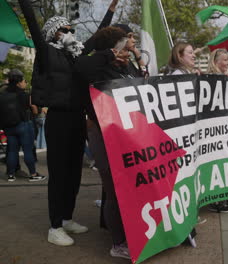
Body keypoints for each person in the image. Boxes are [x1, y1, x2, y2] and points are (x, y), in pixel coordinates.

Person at [19, 0, 118, 247]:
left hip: (78, 118)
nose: (70, 33)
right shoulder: (46, 52)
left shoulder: (76, 54)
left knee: (74, 172)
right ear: (52, 34)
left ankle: (66, 218)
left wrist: (111, 9)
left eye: (71, 30)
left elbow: (97, 37)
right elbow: (31, 22)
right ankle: (54, 226)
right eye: (64, 30)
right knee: (60, 174)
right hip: (58, 118)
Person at [74, 26, 137, 259]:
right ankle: (118, 243)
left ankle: (134, 232)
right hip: (104, 136)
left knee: (131, 189)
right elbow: (81, 66)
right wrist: (110, 54)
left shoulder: (125, 68)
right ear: (112, 47)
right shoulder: (97, 69)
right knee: (114, 191)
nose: (130, 47)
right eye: (125, 43)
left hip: (130, 136)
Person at [205, 48, 228, 213]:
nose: (227, 63)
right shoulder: (209, 80)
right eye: (225, 60)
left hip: (224, 128)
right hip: (213, 129)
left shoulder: (226, 79)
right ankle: (215, 200)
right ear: (215, 62)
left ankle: (222, 196)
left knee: (223, 163)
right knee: (215, 164)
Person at [1, 71, 46, 182]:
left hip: (8, 127)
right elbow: (34, 111)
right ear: (18, 83)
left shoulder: (2, 94)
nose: (25, 83)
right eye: (23, 81)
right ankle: (33, 174)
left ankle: (11, 175)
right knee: (28, 150)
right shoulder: (25, 94)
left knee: (12, 151)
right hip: (24, 125)